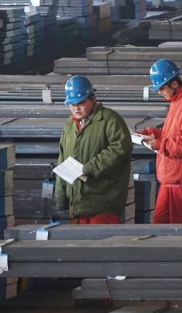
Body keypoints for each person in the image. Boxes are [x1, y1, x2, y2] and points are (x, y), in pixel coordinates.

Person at [137, 58, 182, 224]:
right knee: (161, 228)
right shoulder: (178, 102)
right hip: (172, 180)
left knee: (181, 233)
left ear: (174, 84)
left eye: (162, 87)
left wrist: (160, 144)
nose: (160, 92)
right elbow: (172, 132)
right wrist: (147, 134)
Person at [55, 75, 132, 224]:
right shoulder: (69, 126)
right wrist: (61, 196)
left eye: (81, 102)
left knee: (101, 246)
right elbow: (63, 160)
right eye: (72, 104)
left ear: (92, 99)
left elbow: (121, 147)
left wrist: (89, 167)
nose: (76, 108)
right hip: (78, 205)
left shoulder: (110, 120)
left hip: (103, 204)